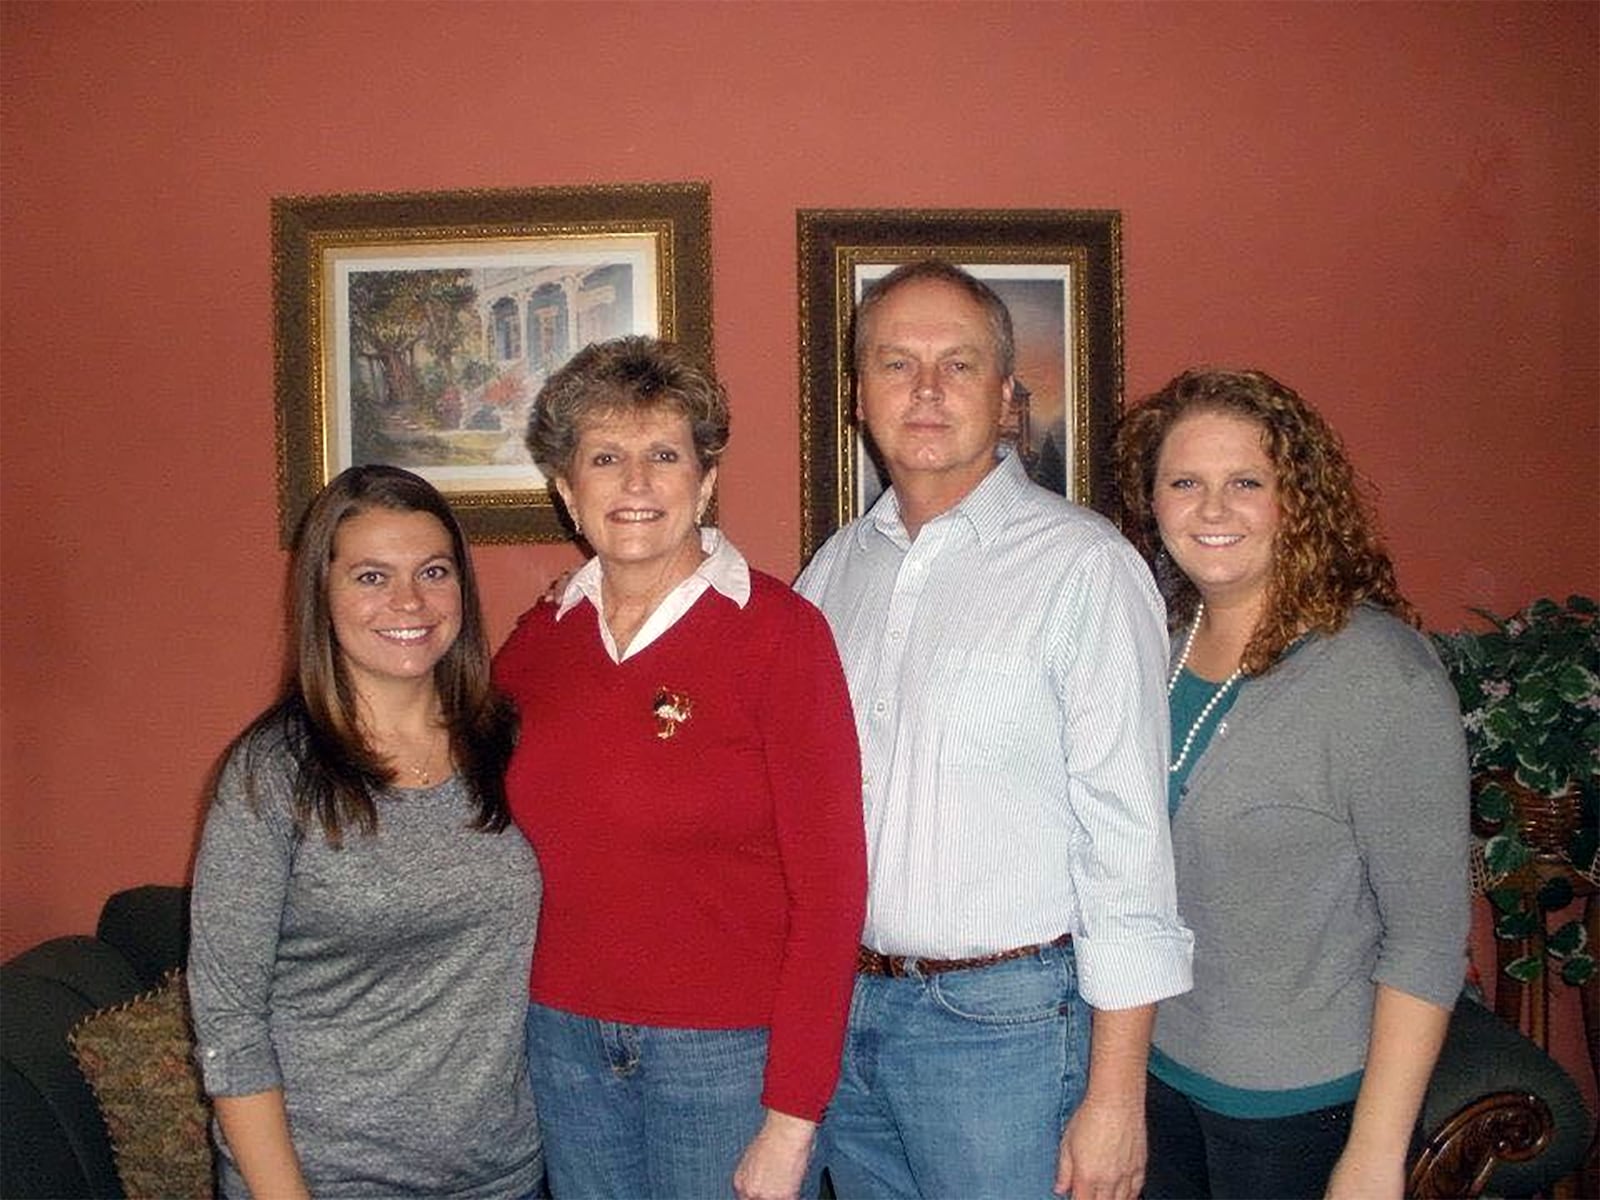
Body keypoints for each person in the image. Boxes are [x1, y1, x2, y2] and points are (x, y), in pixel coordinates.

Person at [794, 260, 1194, 1200]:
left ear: (1009, 398)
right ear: (859, 398)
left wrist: (1116, 1096)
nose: (926, 389)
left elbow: (1128, 842)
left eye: (958, 364)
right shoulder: (834, 571)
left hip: (1004, 1031)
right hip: (845, 1019)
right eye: (897, 364)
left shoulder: (1083, 567)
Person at [493, 335, 867, 1200]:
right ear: (565, 489)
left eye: (664, 455)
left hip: (729, 1059)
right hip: (561, 1043)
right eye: (605, 457)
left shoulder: (781, 635)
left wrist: (792, 1114)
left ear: (703, 482)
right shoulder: (536, 645)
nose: (634, 483)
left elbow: (833, 892)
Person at [1113, 367, 1470, 1199]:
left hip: (1303, 1111)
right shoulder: (1148, 643)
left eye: (1246, 482)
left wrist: (1375, 1156)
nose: (1212, 510)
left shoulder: (1379, 677)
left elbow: (1425, 941)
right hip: (1157, 1073)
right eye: (1185, 483)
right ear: (1152, 500)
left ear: (1299, 498)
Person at [187, 465, 544, 1198]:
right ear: (322, 594)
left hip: (501, 1175)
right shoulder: (272, 775)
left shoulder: (507, 744)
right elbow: (229, 1020)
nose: (409, 602)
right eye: (372, 577)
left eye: (433, 572)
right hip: (330, 1178)